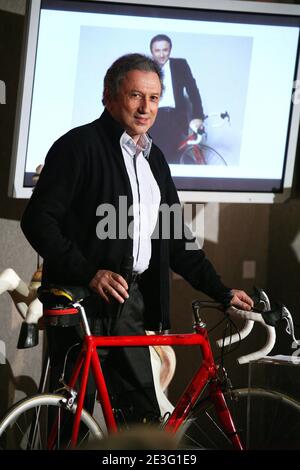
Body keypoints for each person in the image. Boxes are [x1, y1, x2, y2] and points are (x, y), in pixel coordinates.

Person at [21, 53, 253, 426]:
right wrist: (89, 273)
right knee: (72, 422)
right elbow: (37, 221)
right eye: (135, 96)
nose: (146, 108)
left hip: (128, 303)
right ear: (109, 97)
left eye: (155, 98)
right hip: (81, 303)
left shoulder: (155, 159)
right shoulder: (77, 146)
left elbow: (176, 239)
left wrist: (222, 292)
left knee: (140, 421)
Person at [149, 34, 205, 164]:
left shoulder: (180, 65)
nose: (162, 54)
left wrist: (198, 116)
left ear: (170, 50)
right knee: (155, 160)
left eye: (165, 50)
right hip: (153, 118)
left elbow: (193, 91)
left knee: (171, 159)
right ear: (152, 52)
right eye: (157, 50)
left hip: (174, 118)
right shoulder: (145, 68)